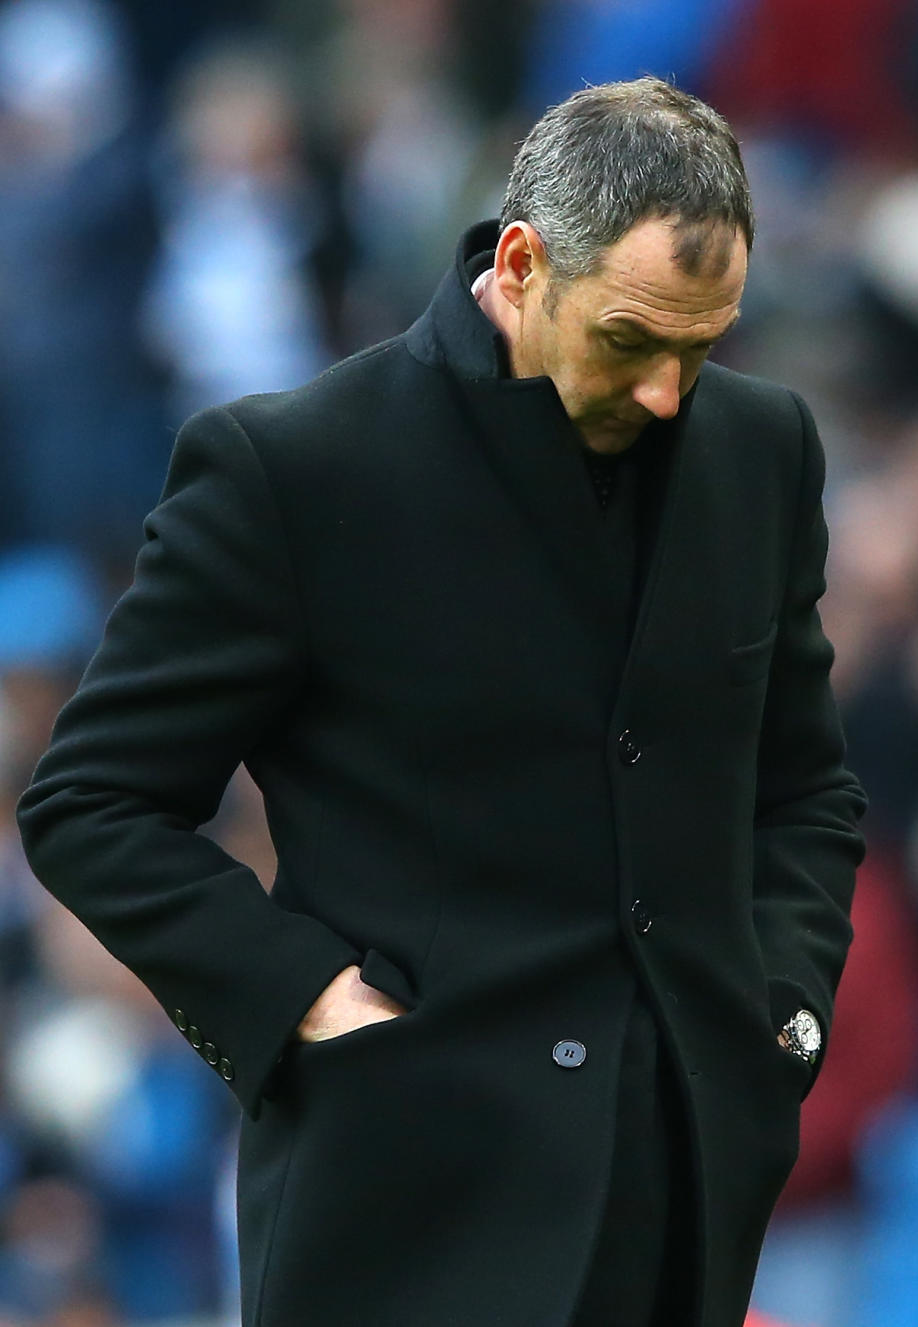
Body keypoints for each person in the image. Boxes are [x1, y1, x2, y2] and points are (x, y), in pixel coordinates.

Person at [16, 78, 866, 1327]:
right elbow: (91, 800)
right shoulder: (292, 469)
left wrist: (781, 1016)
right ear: (520, 265)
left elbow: (805, 789)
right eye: (631, 339)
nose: (669, 392)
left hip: (684, 1201)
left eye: (705, 342)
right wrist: (303, 997)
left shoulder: (766, 449)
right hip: (402, 1210)